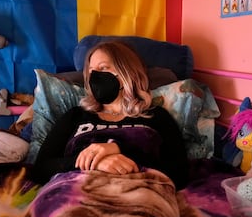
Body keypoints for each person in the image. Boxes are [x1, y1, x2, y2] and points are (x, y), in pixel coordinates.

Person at [30, 41, 189, 189]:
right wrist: (95, 163)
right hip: (75, 192)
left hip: (139, 192)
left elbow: (181, 173)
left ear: (127, 73)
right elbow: (40, 169)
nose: (95, 76)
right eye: (91, 71)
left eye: (104, 68)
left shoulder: (156, 116)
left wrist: (118, 149)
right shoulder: (75, 116)